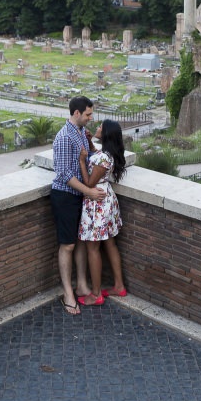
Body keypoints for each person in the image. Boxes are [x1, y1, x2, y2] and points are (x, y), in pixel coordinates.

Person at [50, 96, 105, 316]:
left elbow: (88, 158)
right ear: (76, 113)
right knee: (68, 245)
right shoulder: (64, 137)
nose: (91, 118)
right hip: (65, 196)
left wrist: (92, 142)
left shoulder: (81, 132)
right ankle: (68, 294)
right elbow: (64, 174)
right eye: (88, 114)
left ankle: (81, 285)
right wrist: (89, 192)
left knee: (80, 241)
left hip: (79, 195)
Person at [75, 119, 127, 307]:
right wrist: (90, 143)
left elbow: (89, 183)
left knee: (92, 248)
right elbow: (98, 156)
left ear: (105, 134)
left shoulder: (103, 158)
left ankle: (96, 294)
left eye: (100, 127)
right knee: (110, 244)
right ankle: (119, 286)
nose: (96, 128)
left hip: (97, 203)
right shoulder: (108, 154)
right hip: (107, 201)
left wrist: (82, 161)